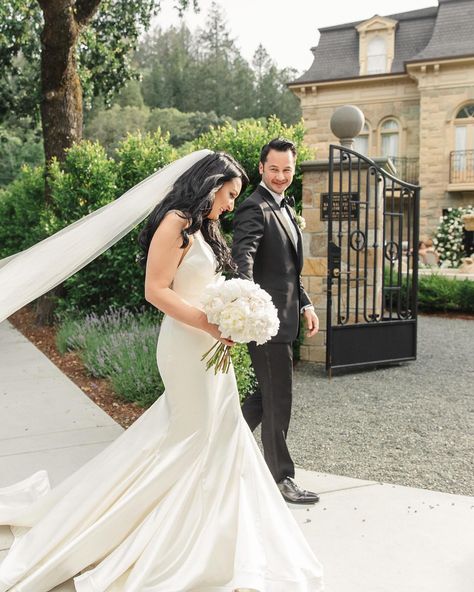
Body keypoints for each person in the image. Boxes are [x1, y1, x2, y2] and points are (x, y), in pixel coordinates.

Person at [0, 151, 324, 591]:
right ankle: (159, 536)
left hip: (211, 345)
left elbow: (211, 287)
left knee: (219, 435)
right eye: (228, 195)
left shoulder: (204, 228)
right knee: (189, 438)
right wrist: (212, 323)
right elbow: (156, 291)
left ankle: (217, 536)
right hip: (185, 348)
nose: (230, 205)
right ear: (210, 185)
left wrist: (234, 315)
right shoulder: (174, 222)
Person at [232, 139, 320, 505]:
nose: (281, 176)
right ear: (261, 168)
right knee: (278, 398)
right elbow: (243, 259)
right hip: (266, 322)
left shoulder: (286, 206)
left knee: (261, 398)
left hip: (286, 317)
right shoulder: (254, 207)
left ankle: (219, 448)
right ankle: (281, 479)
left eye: (287, 170)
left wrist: (306, 304)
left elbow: (289, 269)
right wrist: (253, 306)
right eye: (274, 169)